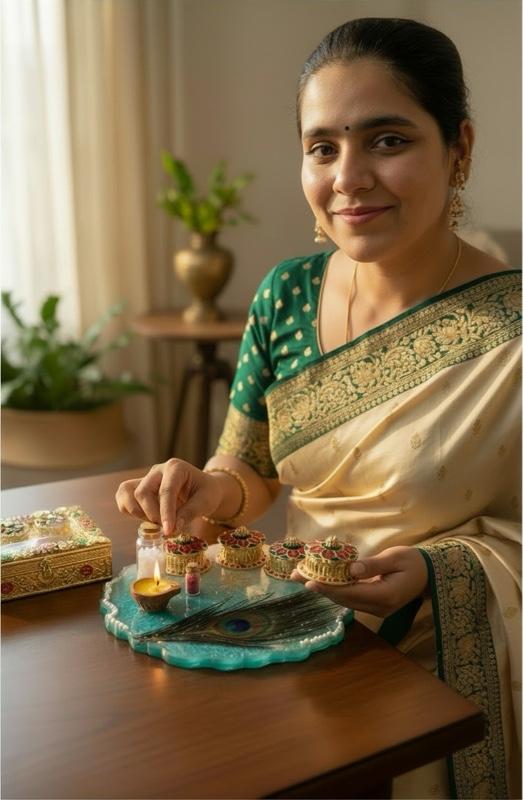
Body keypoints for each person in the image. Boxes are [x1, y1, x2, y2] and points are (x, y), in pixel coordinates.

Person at [116, 17, 521, 799]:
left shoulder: (510, 330)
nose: (349, 177)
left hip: (446, 664)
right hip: (302, 638)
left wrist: (437, 573)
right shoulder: (286, 294)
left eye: (387, 140)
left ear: (458, 147)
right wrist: (208, 489)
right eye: (321, 147)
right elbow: (252, 465)